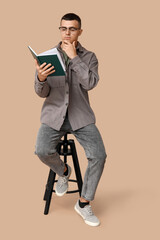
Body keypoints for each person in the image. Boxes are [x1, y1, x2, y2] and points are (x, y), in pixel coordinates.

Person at [34, 13, 107, 227]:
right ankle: (63, 171)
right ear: (59, 30)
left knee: (99, 155)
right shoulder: (47, 55)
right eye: (63, 28)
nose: (67, 33)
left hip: (80, 116)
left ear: (80, 32)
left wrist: (74, 57)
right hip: (53, 115)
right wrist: (40, 78)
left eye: (72, 29)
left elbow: (91, 83)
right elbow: (41, 92)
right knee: (41, 150)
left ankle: (84, 203)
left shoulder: (90, 57)